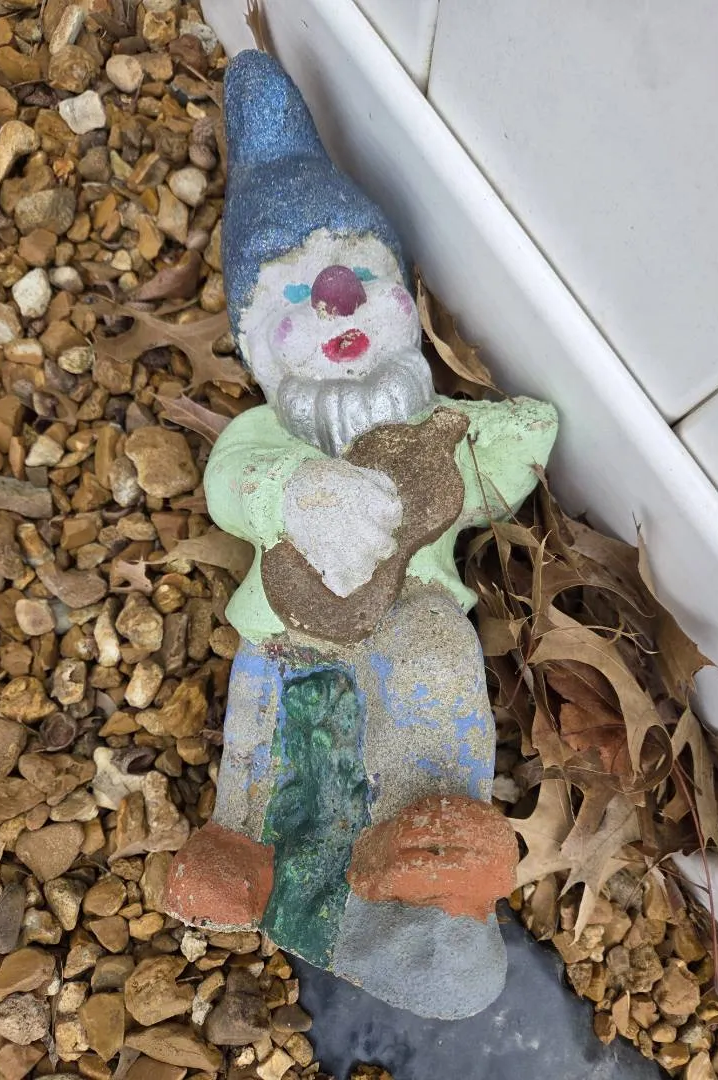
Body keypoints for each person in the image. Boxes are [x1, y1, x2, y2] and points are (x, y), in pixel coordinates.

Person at [165, 50, 558, 1019]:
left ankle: (428, 836)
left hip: (410, 607)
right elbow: (233, 483)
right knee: (262, 728)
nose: (336, 300)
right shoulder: (271, 432)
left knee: (431, 659)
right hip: (287, 627)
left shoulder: (426, 430)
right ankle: (246, 848)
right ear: (257, 345)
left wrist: (500, 438)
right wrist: (297, 492)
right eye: (298, 295)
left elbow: (508, 454)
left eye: (357, 276)